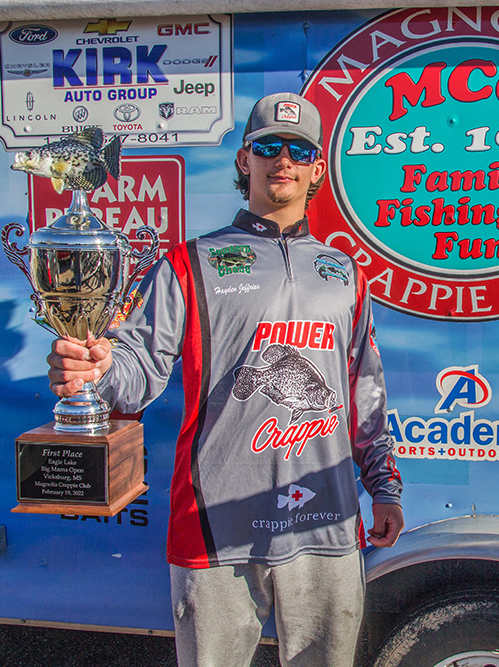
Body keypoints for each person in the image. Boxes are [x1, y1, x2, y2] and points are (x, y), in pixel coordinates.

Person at [47, 92, 404, 667]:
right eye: (268, 146)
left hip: (327, 522)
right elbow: (140, 370)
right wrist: (99, 369)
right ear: (245, 159)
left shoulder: (346, 273)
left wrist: (383, 486)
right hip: (216, 523)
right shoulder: (188, 262)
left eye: (299, 150)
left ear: (317, 168)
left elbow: (366, 393)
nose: (282, 160)